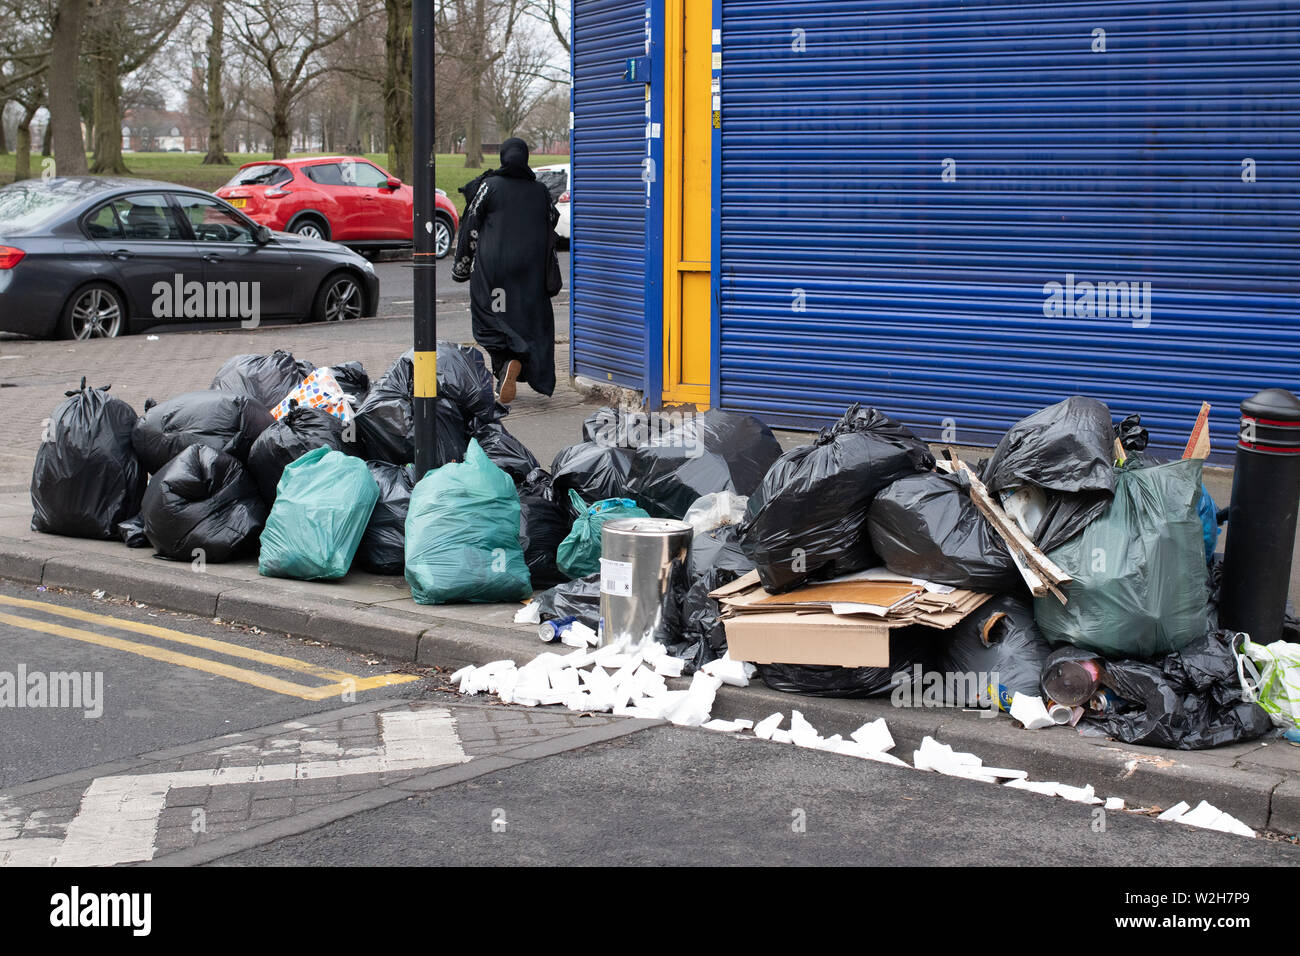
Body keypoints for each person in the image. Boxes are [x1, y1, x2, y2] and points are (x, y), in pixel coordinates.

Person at [451, 138, 560, 404]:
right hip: (530, 272)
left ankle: (504, 365)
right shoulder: (540, 191)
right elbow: (551, 223)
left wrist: (462, 266)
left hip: (494, 271)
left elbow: (471, 225)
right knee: (526, 322)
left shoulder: (490, 187)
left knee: (489, 319)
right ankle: (513, 367)